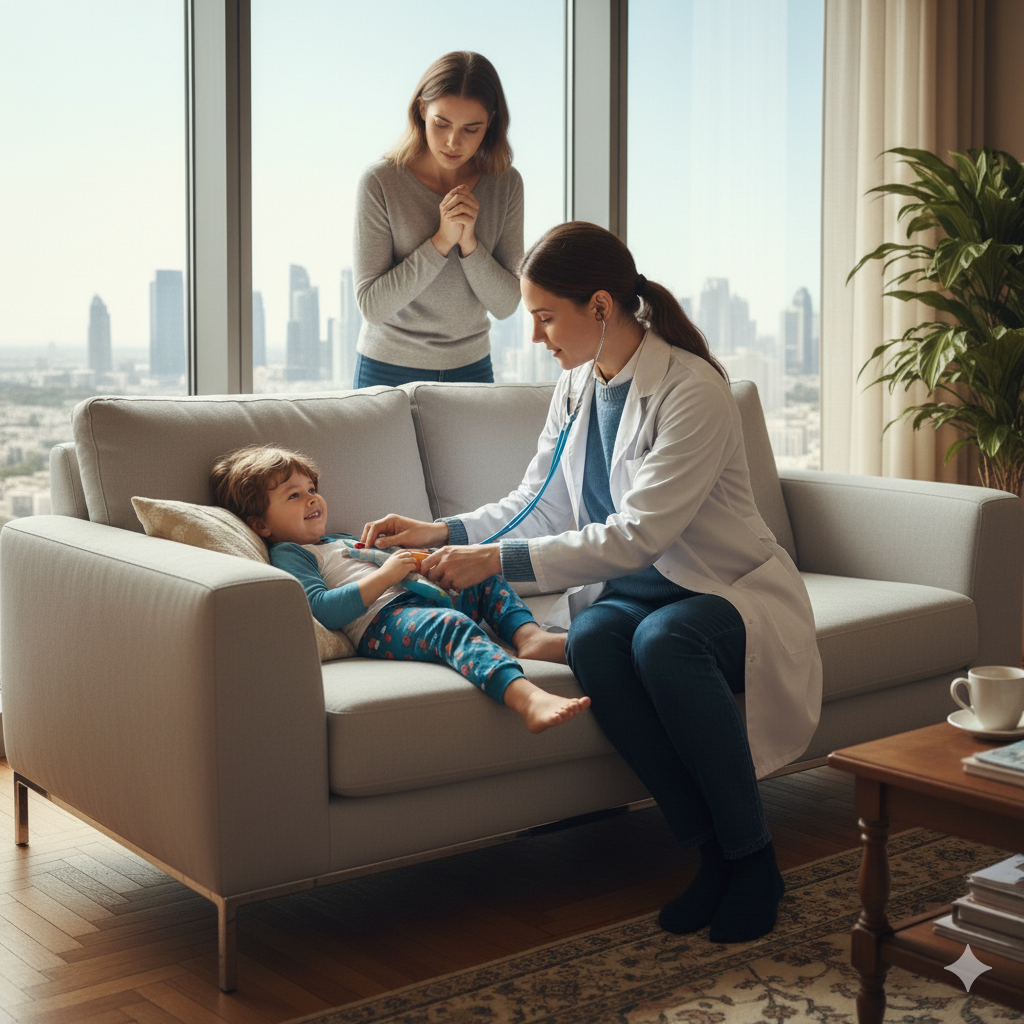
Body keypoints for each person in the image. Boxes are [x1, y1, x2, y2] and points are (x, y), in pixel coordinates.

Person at [359, 222, 823, 943]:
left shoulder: (693, 391)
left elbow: (644, 533)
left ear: (600, 307)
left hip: (723, 585)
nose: (537, 335)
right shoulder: (578, 385)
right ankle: (708, 854)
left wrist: (497, 563)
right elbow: (537, 501)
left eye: (546, 316)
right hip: (637, 587)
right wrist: (443, 532)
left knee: (668, 646)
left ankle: (754, 858)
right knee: (599, 645)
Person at [209, 444, 589, 734]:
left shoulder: (340, 539)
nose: (312, 498)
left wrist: (422, 561)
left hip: (422, 598)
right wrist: (388, 574)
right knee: (448, 627)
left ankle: (529, 637)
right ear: (260, 525)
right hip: (383, 625)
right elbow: (323, 609)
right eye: (294, 495)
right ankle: (527, 698)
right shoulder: (292, 554)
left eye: (311, 488)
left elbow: (399, 568)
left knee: (479, 568)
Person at [352, 51, 523, 388]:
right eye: (441, 123)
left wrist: (470, 245)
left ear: (490, 122)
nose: (452, 142)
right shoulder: (380, 181)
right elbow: (372, 306)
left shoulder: (506, 184)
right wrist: (441, 241)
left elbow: (507, 305)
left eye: (470, 129)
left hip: (471, 368)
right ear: (421, 110)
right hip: (386, 368)